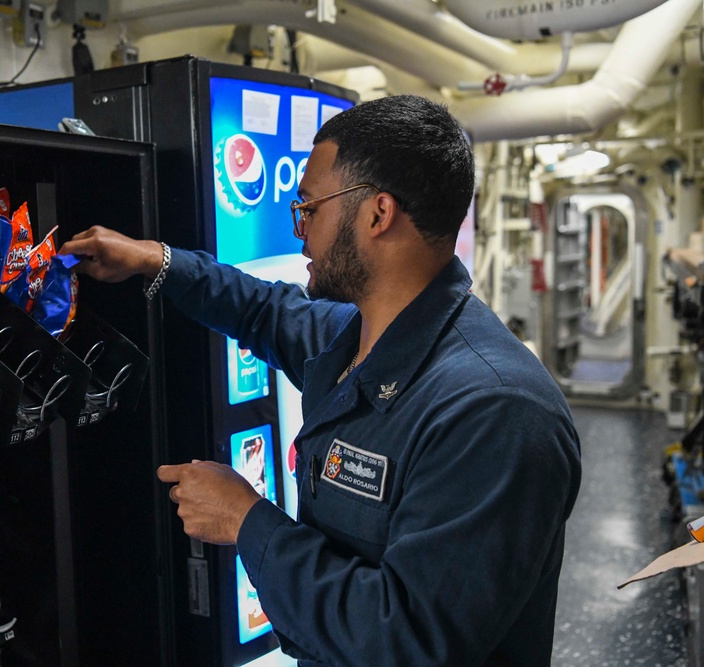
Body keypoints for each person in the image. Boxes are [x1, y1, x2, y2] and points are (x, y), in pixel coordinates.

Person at [59, 95, 582, 666]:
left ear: (378, 214)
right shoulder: (357, 338)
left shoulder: (495, 412)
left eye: (309, 207)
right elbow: (260, 309)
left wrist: (246, 520)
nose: (298, 228)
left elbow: (405, 640)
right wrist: (152, 258)